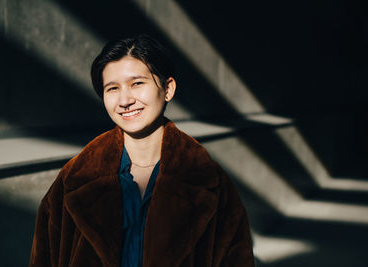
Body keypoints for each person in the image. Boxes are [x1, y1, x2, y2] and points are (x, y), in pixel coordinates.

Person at [29, 34, 255, 267]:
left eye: (137, 83)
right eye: (112, 88)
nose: (125, 100)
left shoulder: (209, 181)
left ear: (168, 88)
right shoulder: (74, 179)